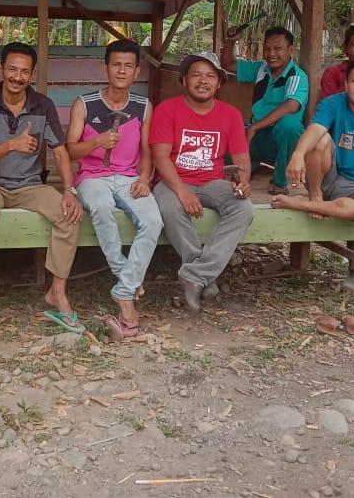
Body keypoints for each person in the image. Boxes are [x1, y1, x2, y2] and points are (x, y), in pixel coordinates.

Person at [0, 42, 84, 339]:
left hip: (30, 185)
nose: (17, 76)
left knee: (68, 214)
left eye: (24, 71)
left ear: (32, 74)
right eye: (12, 69)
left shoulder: (43, 106)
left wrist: (69, 190)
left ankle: (57, 293)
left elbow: (61, 151)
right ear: (1, 70)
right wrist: (10, 146)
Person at [271, 56, 354, 292]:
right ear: (345, 84)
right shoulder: (333, 103)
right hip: (328, 177)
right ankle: (314, 198)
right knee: (319, 137)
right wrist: (297, 154)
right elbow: (315, 129)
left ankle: (300, 205)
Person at [66, 40, 161, 339]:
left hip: (129, 177)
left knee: (153, 221)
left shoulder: (143, 107)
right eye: (116, 64)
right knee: (102, 207)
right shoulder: (85, 103)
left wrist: (145, 178)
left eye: (128, 65)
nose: (122, 70)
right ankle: (126, 276)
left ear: (137, 71)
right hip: (92, 177)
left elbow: (148, 150)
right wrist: (96, 142)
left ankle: (123, 290)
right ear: (104, 67)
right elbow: (70, 151)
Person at [151, 51, 254, 314]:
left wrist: (243, 179)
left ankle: (194, 275)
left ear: (219, 83)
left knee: (243, 208)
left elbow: (241, 158)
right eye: (196, 75)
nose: (203, 81)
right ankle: (203, 276)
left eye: (210, 76)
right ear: (184, 80)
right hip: (173, 180)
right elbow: (160, 157)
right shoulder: (167, 110)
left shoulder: (230, 114)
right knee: (170, 208)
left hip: (212, 181)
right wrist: (183, 192)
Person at [221, 25, 309, 195]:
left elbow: (291, 106)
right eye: (267, 48)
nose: (271, 53)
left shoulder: (297, 76)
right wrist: (231, 40)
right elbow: (227, 64)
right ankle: (250, 164)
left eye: (278, 48)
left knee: (290, 125)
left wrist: (254, 127)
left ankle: (280, 179)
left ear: (291, 50)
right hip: (258, 137)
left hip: (280, 142)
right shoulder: (261, 68)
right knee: (217, 147)